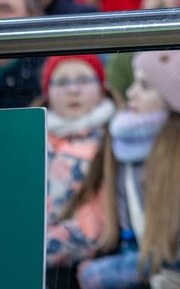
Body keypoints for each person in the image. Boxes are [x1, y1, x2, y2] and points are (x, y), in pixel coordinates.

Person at [46, 49, 180, 289]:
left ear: (175, 100)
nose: (131, 92)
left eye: (144, 86)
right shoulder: (126, 149)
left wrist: (117, 270)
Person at [38, 54, 115, 289]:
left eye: (83, 80)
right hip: (38, 261)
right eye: (61, 82)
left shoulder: (114, 139)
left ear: (102, 89)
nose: (73, 90)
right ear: (47, 92)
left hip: (88, 263)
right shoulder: (32, 137)